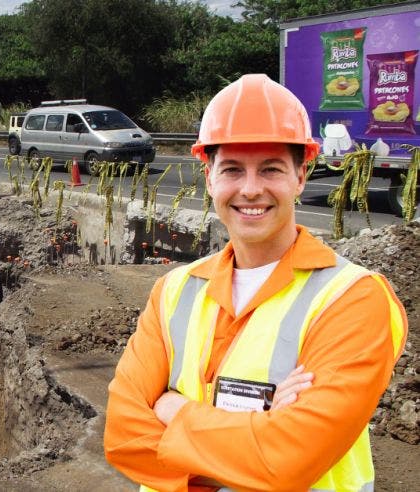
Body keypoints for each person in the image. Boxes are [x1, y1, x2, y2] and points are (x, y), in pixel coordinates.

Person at [103, 74, 408, 491]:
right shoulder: (174, 290)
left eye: (270, 169)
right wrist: (257, 430)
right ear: (209, 177)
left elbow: (288, 462)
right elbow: (123, 435)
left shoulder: (353, 299)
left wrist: (172, 408)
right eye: (232, 169)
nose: (250, 189)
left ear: (300, 176)